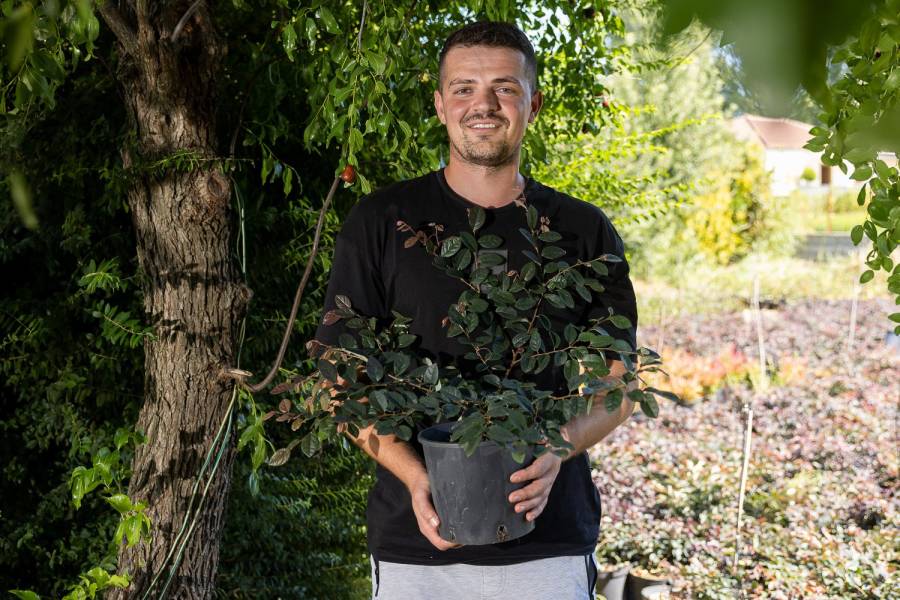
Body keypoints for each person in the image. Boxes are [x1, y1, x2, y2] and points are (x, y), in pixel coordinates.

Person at [314, 21, 639, 600]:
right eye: (463, 88)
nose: (482, 105)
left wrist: (558, 448)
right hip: (417, 545)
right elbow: (343, 384)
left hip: (549, 542)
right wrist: (418, 480)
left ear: (532, 104)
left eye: (504, 88)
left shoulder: (583, 231)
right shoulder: (381, 222)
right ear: (440, 105)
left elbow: (619, 387)